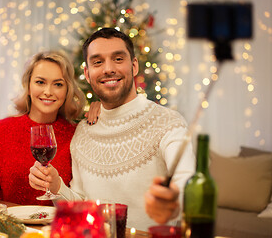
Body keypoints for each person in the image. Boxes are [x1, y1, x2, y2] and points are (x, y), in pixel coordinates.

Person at [29, 28, 195, 230]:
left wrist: (173, 200)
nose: (108, 69)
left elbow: (188, 181)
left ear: (134, 66)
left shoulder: (168, 122)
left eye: (118, 59)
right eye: (98, 62)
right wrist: (56, 187)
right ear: (88, 74)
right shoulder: (83, 131)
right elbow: (79, 203)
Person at [0, 51, 86, 206]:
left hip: (58, 227)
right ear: (28, 86)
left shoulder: (77, 134)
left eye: (58, 84)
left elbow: (84, 197)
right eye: (40, 82)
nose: (48, 91)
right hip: (10, 226)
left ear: (67, 90)